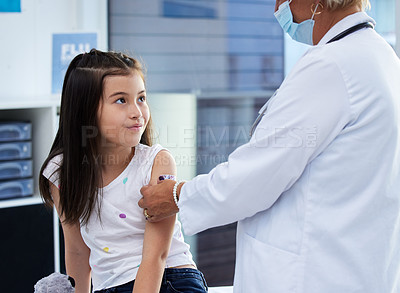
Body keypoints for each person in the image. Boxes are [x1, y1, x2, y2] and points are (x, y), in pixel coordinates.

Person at [139, 0, 400, 292]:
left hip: (314, 275)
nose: (278, 6)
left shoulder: (333, 66)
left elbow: (255, 176)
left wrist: (179, 195)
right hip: (354, 268)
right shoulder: (380, 57)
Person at [39, 49, 208, 293]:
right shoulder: (60, 173)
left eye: (141, 98)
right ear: (85, 109)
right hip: (110, 285)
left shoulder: (157, 163)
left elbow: (157, 256)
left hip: (169, 277)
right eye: (121, 100)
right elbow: (77, 250)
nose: (137, 112)